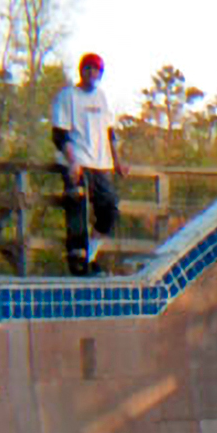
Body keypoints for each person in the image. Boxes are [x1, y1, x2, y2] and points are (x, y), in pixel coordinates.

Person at [51, 54, 128, 276]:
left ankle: (90, 257)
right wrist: (72, 161)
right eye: (89, 69)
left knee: (109, 210)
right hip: (78, 162)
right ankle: (77, 265)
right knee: (78, 212)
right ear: (82, 71)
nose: (93, 74)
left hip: (101, 164)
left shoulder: (101, 97)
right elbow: (59, 134)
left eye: (97, 71)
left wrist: (118, 162)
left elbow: (109, 132)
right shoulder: (67, 96)